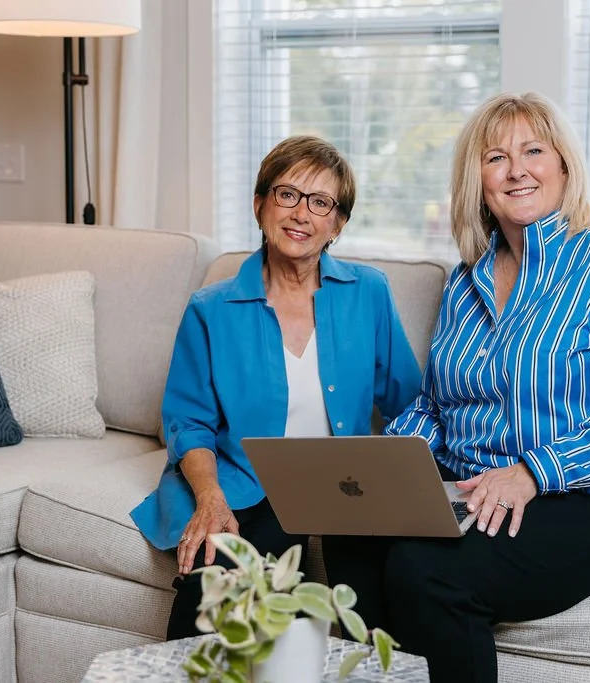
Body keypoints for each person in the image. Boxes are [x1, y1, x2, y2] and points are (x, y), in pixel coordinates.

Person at [321, 92, 590, 683]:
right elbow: (436, 404)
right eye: (496, 157)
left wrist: (533, 472)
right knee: (351, 533)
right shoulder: (465, 281)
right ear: (478, 182)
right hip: (477, 487)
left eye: (533, 151)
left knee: (427, 570)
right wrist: (390, 463)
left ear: (563, 166)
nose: (517, 170)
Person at [131, 135, 422, 640]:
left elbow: (410, 403)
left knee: (377, 615)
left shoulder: (369, 293)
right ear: (260, 205)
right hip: (248, 483)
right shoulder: (211, 309)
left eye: (321, 202)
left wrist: (403, 484)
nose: (301, 214)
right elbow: (189, 422)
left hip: (343, 486)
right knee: (212, 598)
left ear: (338, 224)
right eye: (287, 194)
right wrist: (210, 496)